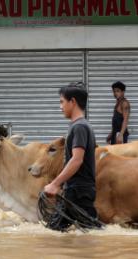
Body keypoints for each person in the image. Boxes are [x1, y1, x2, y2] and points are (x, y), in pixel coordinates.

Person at [43, 82, 97, 230]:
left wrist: (55, 184)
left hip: (78, 191)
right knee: (87, 231)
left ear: (72, 102)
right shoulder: (81, 125)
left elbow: (77, 160)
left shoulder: (79, 127)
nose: (60, 107)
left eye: (62, 102)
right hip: (77, 190)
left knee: (54, 232)